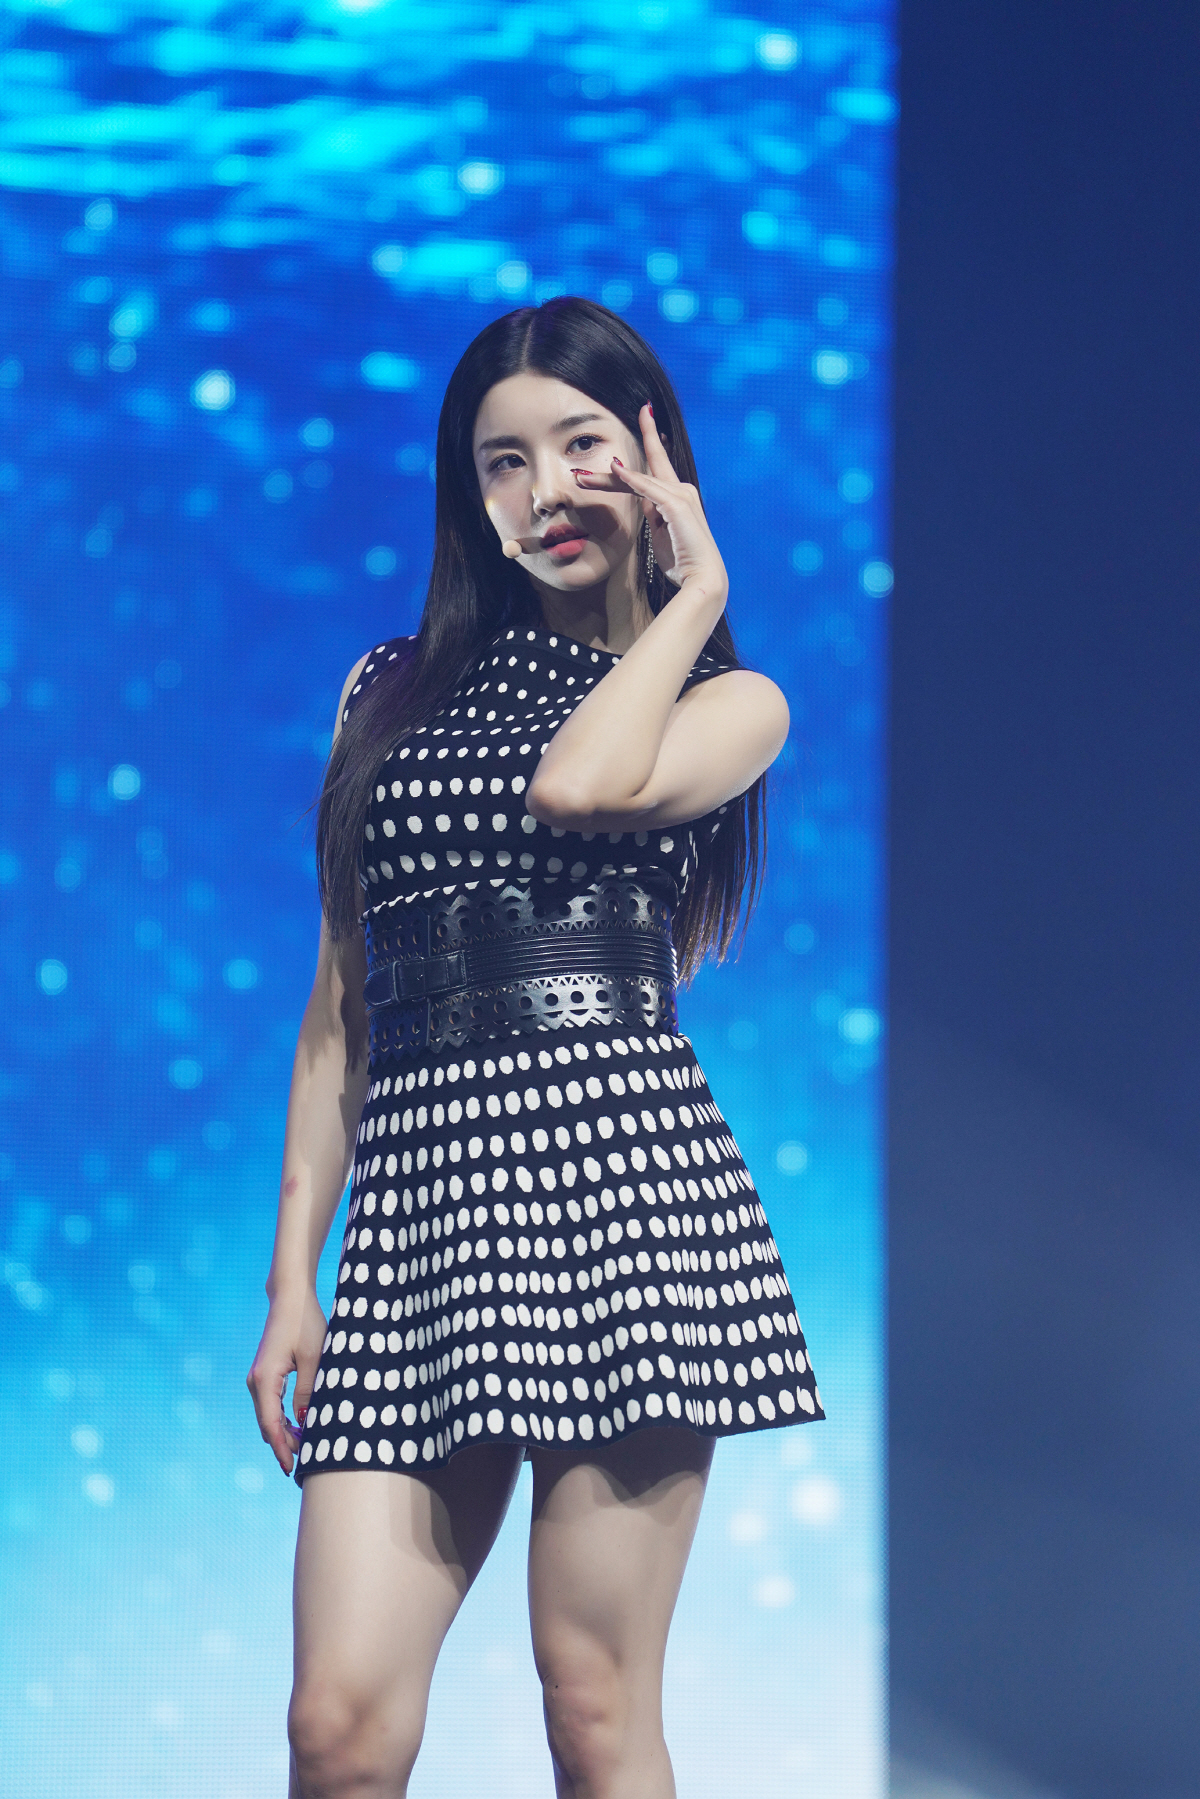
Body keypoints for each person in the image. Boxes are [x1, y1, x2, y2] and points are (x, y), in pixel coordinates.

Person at [247, 296, 824, 1799]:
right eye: (503, 463)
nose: (546, 491)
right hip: (421, 1228)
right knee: (337, 1729)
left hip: (619, 1202)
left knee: (593, 1709)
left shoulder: (733, 704)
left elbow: (580, 786)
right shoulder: (387, 690)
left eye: (582, 447)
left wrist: (694, 598)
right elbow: (340, 1007)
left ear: (657, 456)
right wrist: (294, 1278)